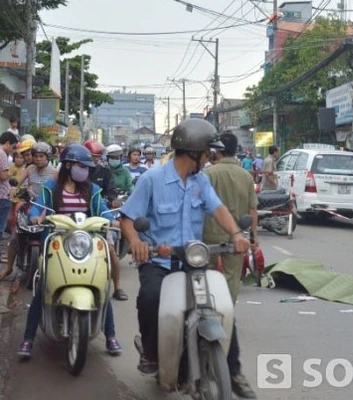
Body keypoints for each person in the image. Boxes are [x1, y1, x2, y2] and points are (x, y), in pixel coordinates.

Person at [119, 119, 251, 376]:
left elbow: (218, 209)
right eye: (207, 152)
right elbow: (127, 218)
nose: (209, 157)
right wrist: (136, 242)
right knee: (150, 298)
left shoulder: (200, 181)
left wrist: (236, 233)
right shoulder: (152, 179)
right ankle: (149, 351)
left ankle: (234, 373)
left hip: (192, 262)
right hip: (159, 261)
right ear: (195, 152)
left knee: (220, 305)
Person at [17, 144, 122, 358]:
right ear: (67, 165)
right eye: (80, 166)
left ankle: (111, 335)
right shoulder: (51, 187)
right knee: (43, 284)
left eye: (86, 167)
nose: (85, 170)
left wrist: (114, 221)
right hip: (57, 242)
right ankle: (28, 339)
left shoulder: (91, 189)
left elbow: (102, 209)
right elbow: (39, 208)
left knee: (101, 284)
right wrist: (36, 217)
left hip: (88, 243)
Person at [203, 132, 258, 399]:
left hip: (207, 239)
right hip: (237, 239)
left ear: (217, 150)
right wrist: (253, 239)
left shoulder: (208, 174)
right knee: (229, 287)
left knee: (201, 285)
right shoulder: (246, 176)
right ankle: (225, 318)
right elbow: (252, 211)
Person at [0, 142, 57, 281]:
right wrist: (14, 190)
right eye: (36, 156)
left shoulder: (55, 173)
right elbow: (18, 182)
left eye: (41, 156)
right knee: (15, 236)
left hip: (47, 209)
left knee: (54, 238)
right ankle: (8, 268)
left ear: (47, 157)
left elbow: (59, 190)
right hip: (29, 206)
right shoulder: (30, 169)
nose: (38, 159)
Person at [83, 140, 127, 301]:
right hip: (71, 226)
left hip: (96, 222)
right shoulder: (59, 182)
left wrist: (112, 220)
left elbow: (101, 203)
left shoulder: (98, 182)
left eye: (97, 157)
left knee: (111, 251)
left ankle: (117, 287)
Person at [0, 132, 18, 262]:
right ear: (6, 143)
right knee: (0, 228)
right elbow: (3, 176)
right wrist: (12, 172)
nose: (12, 151)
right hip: (2, 196)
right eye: (12, 147)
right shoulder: (1, 154)